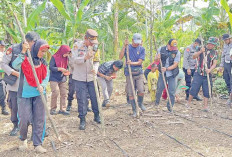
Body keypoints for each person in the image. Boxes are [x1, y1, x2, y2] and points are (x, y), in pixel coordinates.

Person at [12, 39, 50, 153]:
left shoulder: (43, 62)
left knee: (39, 119)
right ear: (36, 48)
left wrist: (43, 85)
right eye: (41, 51)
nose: (42, 53)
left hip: (39, 94)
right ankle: (23, 139)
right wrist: (23, 51)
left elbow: (47, 75)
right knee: (24, 119)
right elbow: (15, 65)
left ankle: (37, 144)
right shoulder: (25, 58)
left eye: (44, 51)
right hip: (24, 94)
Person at [1, 32, 40, 136]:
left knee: (29, 107)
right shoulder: (13, 49)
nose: (34, 44)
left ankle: (31, 127)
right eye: (33, 42)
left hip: (29, 86)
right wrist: (14, 73)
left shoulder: (35, 50)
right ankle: (15, 126)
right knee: (14, 106)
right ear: (27, 41)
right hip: (15, 84)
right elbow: (3, 64)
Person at [72, 29, 101, 130]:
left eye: (94, 42)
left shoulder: (95, 47)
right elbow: (74, 60)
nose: (92, 44)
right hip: (79, 77)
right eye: (90, 41)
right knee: (82, 99)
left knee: (95, 97)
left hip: (91, 77)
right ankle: (82, 119)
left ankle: (97, 115)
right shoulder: (77, 46)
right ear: (85, 38)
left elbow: (97, 61)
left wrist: (95, 69)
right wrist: (85, 58)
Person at [186, 37, 218, 111]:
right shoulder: (200, 48)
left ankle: (205, 106)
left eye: (213, 45)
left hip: (207, 74)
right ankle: (188, 103)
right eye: (210, 44)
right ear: (208, 43)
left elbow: (214, 63)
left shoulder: (215, 52)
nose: (211, 45)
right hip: (198, 73)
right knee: (194, 88)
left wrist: (210, 70)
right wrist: (200, 51)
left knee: (207, 90)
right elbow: (194, 56)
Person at [119, 33, 146, 117]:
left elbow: (140, 61)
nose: (137, 43)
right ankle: (134, 109)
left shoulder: (142, 49)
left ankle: (140, 103)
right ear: (132, 40)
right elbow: (120, 57)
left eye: (138, 41)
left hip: (139, 72)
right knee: (131, 93)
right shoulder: (127, 48)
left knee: (141, 90)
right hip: (129, 72)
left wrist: (131, 63)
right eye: (135, 41)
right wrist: (124, 46)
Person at [154, 39, 181, 112]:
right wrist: (157, 58)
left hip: (172, 74)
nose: (173, 49)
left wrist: (167, 68)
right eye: (171, 47)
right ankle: (156, 103)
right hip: (162, 73)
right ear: (168, 45)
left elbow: (175, 64)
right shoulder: (161, 49)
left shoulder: (177, 52)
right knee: (160, 88)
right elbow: (155, 60)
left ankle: (170, 107)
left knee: (171, 91)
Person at [49, 45, 71, 115]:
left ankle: (63, 109)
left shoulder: (66, 58)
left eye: (68, 53)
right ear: (62, 51)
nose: (67, 54)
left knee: (64, 93)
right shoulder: (54, 57)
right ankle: (53, 109)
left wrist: (66, 71)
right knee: (55, 92)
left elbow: (67, 67)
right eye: (66, 53)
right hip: (54, 77)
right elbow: (51, 67)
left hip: (62, 77)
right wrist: (60, 69)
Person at [66, 40, 83, 111]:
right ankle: (69, 104)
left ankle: (83, 106)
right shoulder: (70, 53)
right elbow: (70, 63)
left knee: (81, 90)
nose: (76, 47)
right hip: (73, 74)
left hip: (81, 74)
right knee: (71, 89)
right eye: (75, 46)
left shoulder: (82, 53)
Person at [219, 34, 232, 103]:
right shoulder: (225, 45)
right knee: (226, 78)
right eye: (224, 40)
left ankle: (231, 97)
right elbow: (223, 56)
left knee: (231, 79)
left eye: (226, 40)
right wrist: (221, 65)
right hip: (226, 64)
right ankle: (229, 93)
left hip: (231, 63)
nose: (225, 41)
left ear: (229, 39)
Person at [0, 40, 9, 115]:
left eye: (3, 46)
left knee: (3, 92)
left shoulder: (4, 55)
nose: (3, 48)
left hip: (2, 77)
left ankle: (3, 108)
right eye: (1, 46)